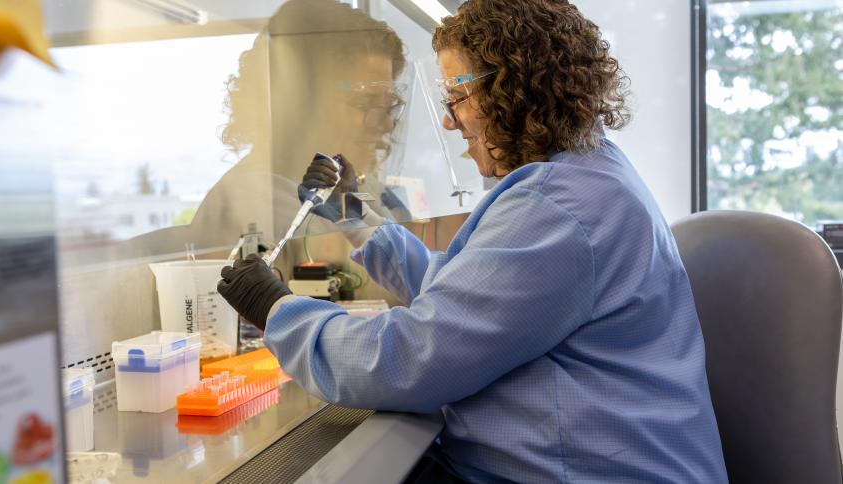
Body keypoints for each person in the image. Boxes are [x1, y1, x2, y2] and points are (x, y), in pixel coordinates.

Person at [219, 0, 728, 482]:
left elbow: (409, 361)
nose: (448, 119)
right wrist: (356, 215)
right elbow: (464, 292)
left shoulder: (557, 205)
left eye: (458, 97)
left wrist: (278, 310)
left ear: (515, 90)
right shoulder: (584, 171)